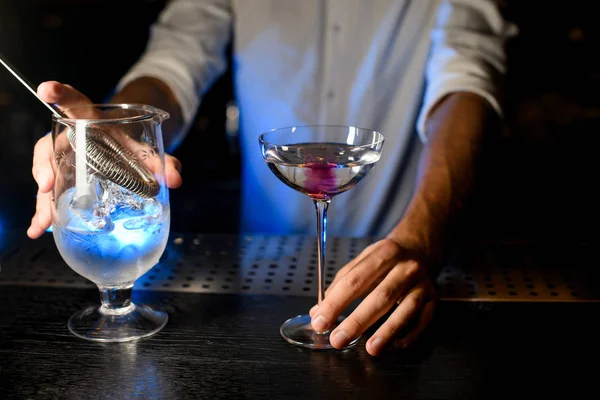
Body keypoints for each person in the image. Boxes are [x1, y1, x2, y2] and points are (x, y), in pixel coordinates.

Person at [27, 0, 516, 356]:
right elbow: (176, 59)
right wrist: (113, 134)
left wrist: (424, 235)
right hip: (259, 265)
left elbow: (467, 75)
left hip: (396, 245)